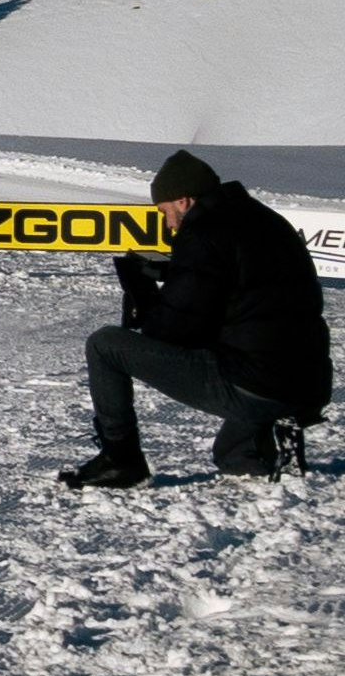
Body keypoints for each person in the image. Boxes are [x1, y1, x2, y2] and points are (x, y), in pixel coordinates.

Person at [59, 151, 332, 488]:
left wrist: (144, 295)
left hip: (254, 380)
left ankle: (121, 460)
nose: (169, 224)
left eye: (165, 212)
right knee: (233, 459)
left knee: (105, 345)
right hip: (306, 381)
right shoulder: (266, 220)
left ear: (184, 200)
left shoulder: (203, 233)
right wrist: (177, 274)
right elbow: (246, 289)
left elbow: (173, 332)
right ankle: (274, 434)